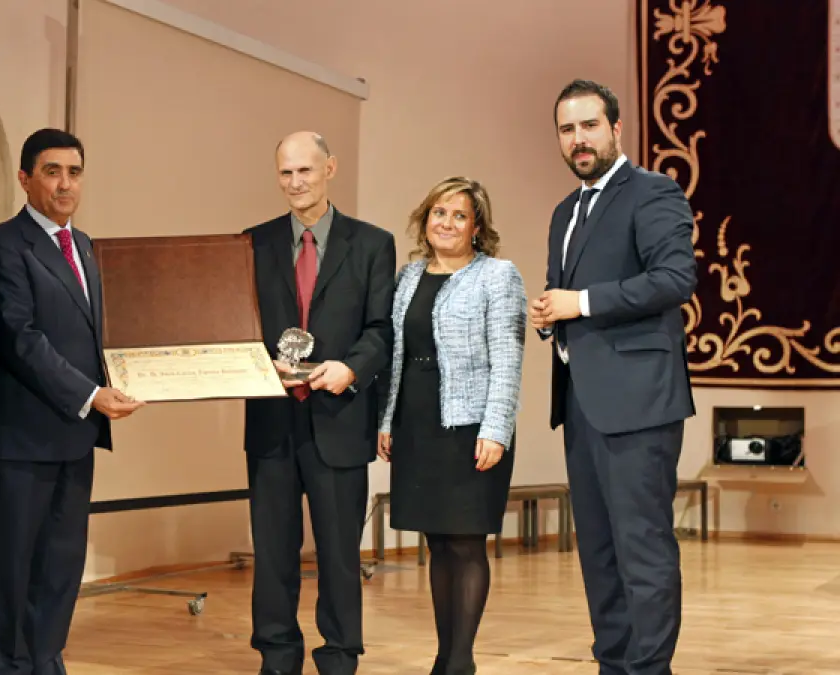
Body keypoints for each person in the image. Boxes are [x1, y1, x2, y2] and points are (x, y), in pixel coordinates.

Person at [530, 79, 697, 675]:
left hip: (640, 403)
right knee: (598, 552)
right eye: (567, 129)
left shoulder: (653, 191)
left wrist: (580, 304)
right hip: (581, 403)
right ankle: (614, 664)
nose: (578, 139)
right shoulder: (564, 212)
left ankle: (650, 669)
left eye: (589, 126)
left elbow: (674, 279)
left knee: (642, 548)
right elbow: (566, 294)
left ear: (616, 128)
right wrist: (551, 315)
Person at [0, 128, 144, 675]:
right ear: (25, 178)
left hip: (75, 436)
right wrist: (91, 394)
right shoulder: (4, 244)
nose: (65, 184)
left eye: (74, 172)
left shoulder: (86, 246)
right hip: (21, 438)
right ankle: (10, 667)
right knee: (15, 566)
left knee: (61, 565)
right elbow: (19, 337)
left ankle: (46, 660)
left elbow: (93, 336)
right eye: (51, 171)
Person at [243, 131, 395, 675]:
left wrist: (349, 369)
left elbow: (381, 330)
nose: (295, 182)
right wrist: (259, 362)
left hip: (340, 419)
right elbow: (239, 325)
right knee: (272, 554)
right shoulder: (252, 243)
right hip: (272, 421)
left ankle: (339, 657)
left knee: (339, 556)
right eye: (285, 172)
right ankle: (277, 657)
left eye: (305, 170)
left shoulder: (372, 243)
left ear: (329, 168)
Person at [377, 177, 526, 675]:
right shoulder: (408, 277)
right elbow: (396, 356)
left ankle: (460, 662)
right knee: (437, 542)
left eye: (459, 215)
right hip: (417, 425)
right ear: (425, 219)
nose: (446, 223)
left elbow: (508, 360)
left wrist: (496, 429)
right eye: (439, 212)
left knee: (465, 542)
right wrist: (387, 419)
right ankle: (445, 657)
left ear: (476, 228)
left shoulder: (498, 276)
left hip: (470, 429)